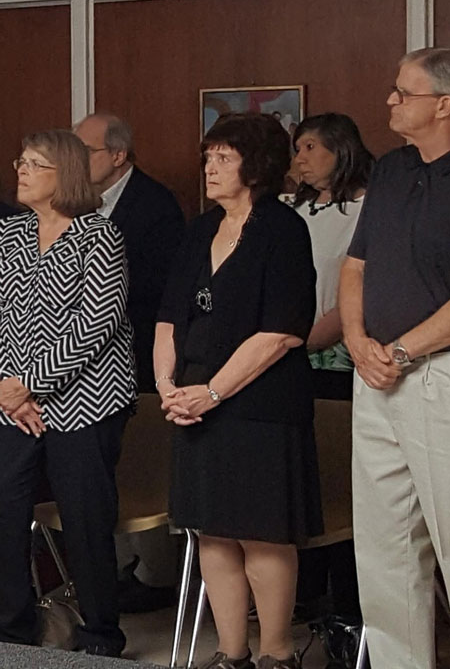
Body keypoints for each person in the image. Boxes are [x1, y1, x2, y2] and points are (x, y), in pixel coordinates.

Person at [154, 112, 322, 669]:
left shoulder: (282, 229)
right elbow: (168, 318)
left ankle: (277, 654)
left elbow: (281, 333)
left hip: (260, 405)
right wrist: (168, 386)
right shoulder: (199, 229)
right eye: (208, 157)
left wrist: (213, 392)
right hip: (194, 403)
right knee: (212, 534)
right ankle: (231, 653)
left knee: (261, 534)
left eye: (224, 158)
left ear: (257, 165)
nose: (210, 167)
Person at [0, 129, 136, 657]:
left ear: (67, 175)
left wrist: (31, 384)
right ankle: (14, 629)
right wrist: (8, 390)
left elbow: (96, 323)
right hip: (14, 403)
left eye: (35, 164)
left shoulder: (100, 236)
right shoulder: (10, 233)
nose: (21, 170)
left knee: (85, 519)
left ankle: (101, 633)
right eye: (21, 161)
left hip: (87, 402)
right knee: (6, 507)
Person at [339, 47, 450, 669]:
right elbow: (355, 265)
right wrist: (356, 340)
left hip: (437, 373)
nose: (390, 101)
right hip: (375, 373)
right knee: (385, 549)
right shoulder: (391, 169)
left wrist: (403, 350)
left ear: (444, 104)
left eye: (403, 93)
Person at [75, 113, 184, 610]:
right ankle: (117, 572)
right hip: (86, 365)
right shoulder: (78, 202)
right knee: (107, 471)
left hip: (139, 356)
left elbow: (159, 288)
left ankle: (154, 576)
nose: (76, 159)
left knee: (144, 461)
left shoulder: (154, 204)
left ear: (117, 155)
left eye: (86, 150)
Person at [292, 113, 373, 667]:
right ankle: (307, 599)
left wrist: (302, 340)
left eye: (310, 147)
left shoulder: (367, 209)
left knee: (342, 487)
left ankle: (347, 609)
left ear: (340, 151)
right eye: (296, 148)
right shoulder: (294, 209)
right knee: (306, 481)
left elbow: (354, 290)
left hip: (338, 362)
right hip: (289, 361)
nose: (299, 158)